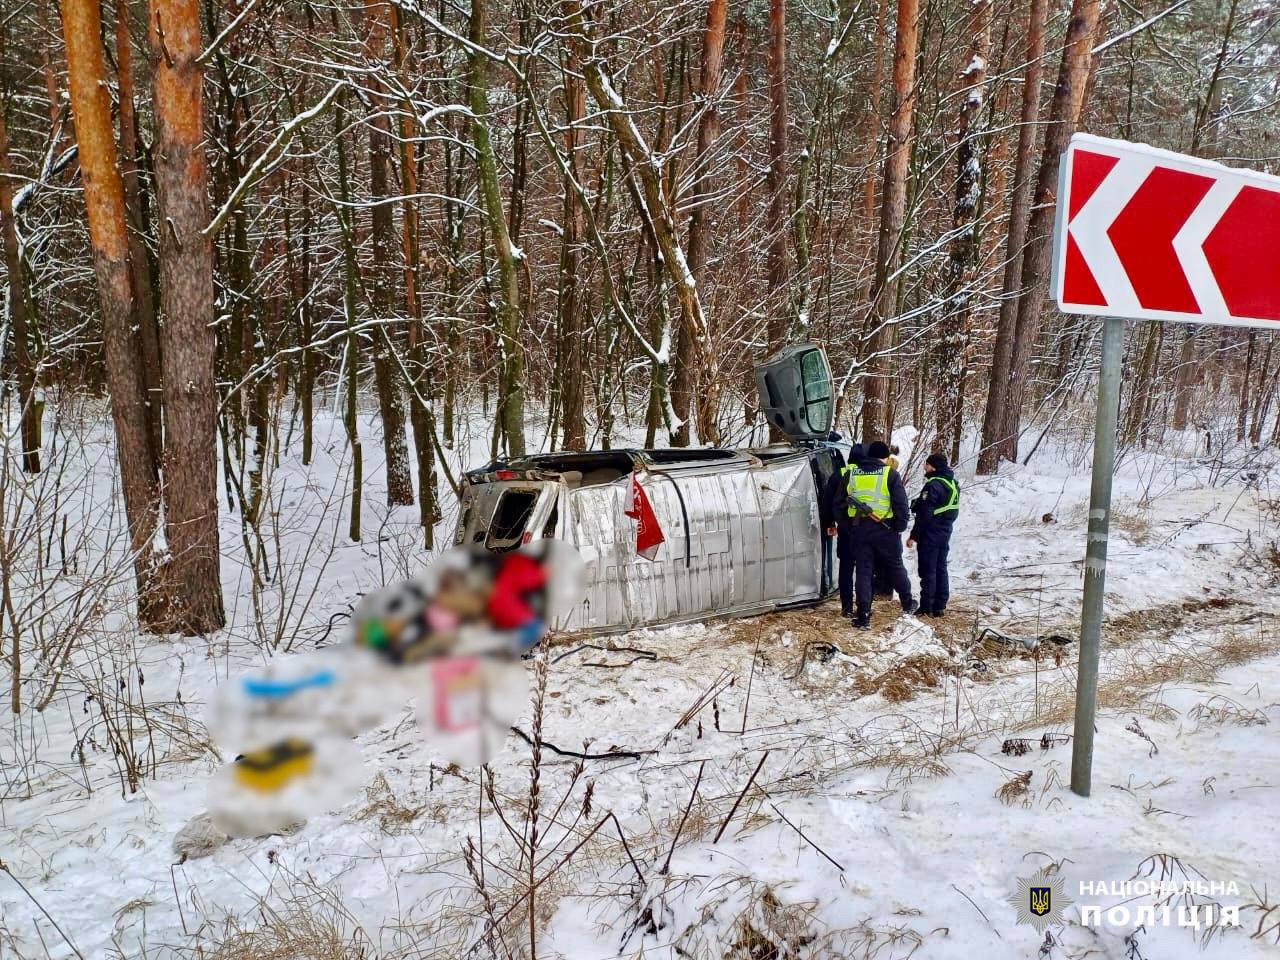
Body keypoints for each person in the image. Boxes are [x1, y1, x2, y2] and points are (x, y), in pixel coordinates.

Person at [841, 440, 917, 628]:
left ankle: (863, 615)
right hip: (885, 528)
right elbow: (900, 503)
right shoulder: (890, 474)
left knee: (864, 571)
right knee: (895, 566)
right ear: (885, 457)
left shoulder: (852, 473)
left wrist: (850, 526)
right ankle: (908, 603)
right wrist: (899, 526)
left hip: (859, 528)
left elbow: (845, 499)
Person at [907, 452, 960, 618]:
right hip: (944, 531)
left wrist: (914, 535)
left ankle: (926, 607)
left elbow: (925, 514)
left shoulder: (933, 485)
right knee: (940, 568)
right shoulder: (952, 483)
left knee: (928, 570)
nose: (925, 467)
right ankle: (939, 605)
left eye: (927, 465)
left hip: (931, 532)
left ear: (934, 466)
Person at [824, 443, 863, 619]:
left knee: (846, 568)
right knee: (865, 567)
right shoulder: (869, 476)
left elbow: (827, 502)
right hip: (865, 529)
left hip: (845, 529)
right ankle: (864, 606)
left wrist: (830, 523)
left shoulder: (838, 474)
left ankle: (846, 607)